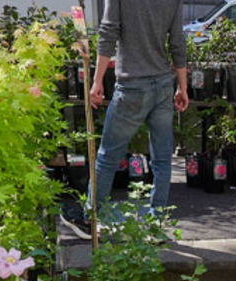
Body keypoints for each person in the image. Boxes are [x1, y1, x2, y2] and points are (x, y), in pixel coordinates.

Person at [73, 0, 188, 237]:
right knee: (162, 159)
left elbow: (108, 33)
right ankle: (156, 225)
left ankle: (91, 218)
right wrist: (183, 87)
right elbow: (177, 42)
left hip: (132, 86)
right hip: (163, 85)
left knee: (107, 156)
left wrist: (96, 82)